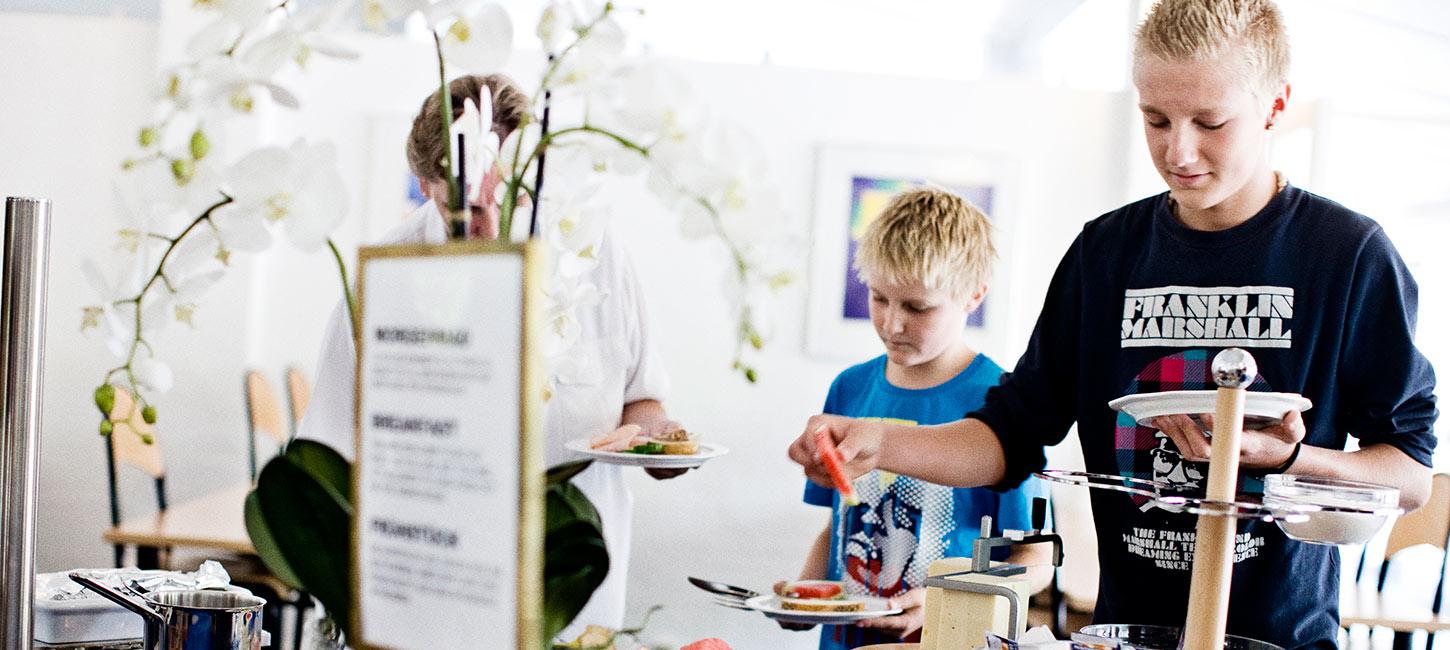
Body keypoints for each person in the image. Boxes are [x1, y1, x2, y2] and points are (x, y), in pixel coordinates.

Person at [787, 1, 1437, 647]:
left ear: (1275, 105)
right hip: (1127, 635)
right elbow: (1009, 435)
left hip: (1281, 639)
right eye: (1155, 119)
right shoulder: (1105, 254)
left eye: (1210, 121)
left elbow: (1407, 474)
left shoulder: (1347, 255)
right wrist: (877, 440)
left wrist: (1291, 458)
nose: (1177, 150)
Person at [299, 74, 686, 640]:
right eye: (468, 205)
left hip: (578, 602)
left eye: (514, 197)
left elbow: (642, 400)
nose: (493, 223)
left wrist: (661, 442)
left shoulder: (596, 252)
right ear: (425, 184)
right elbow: (328, 458)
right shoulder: (383, 285)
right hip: (433, 605)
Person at [789, 188, 1052, 649]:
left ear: (974, 295)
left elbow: (1036, 559)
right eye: (878, 298)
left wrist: (950, 599)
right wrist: (799, 601)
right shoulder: (849, 388)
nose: (892, 324)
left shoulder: (1005, 404)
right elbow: (837, 524)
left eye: (917, 307)